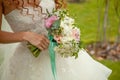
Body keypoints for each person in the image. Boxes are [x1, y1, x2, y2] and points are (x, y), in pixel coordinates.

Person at [0, 0, 112, 80]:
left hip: (62, 55)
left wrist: (65, 32)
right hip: (30, 61)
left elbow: (54, 15)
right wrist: (25, 35)